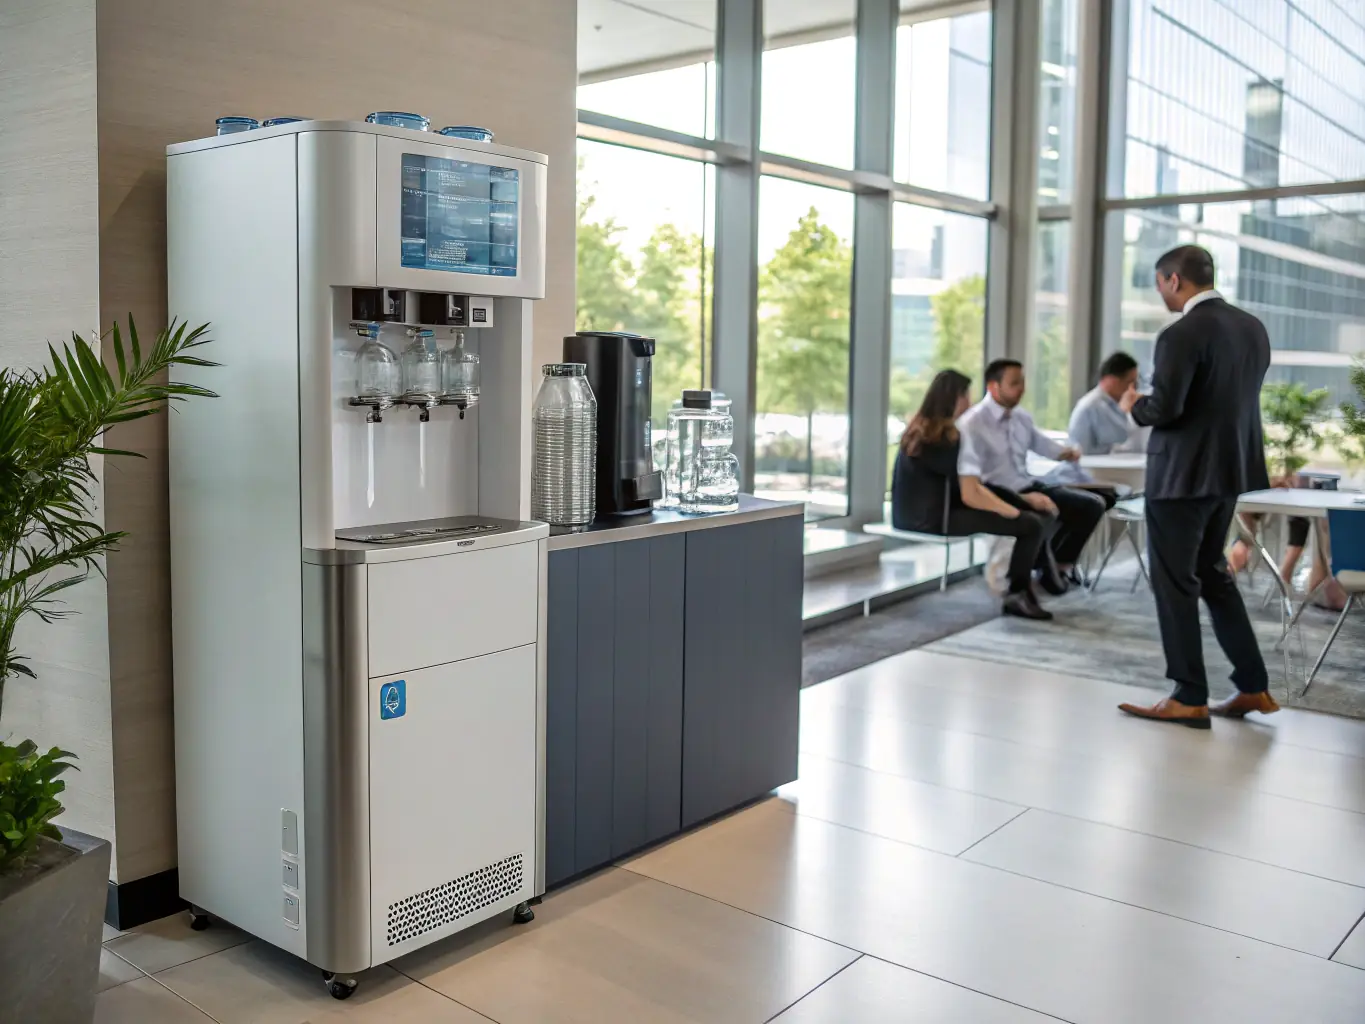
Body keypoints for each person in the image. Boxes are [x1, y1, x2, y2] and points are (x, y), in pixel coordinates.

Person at [1116, 244, 1277, 728]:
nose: (1161, 293)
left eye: (1159, 284)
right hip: (1228, 472)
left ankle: (1189, 694)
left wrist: (1134, 405)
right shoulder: (1253, 329)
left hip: (1181, 477)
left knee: (1174, 580)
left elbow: (1167, 408)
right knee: (1211, 574)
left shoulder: (1179, 334)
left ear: (1172, 280)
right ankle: (1253, 685)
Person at [892, 369, 1058, 620]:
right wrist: (1012, 511)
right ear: (954, 399)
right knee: (1030, 525)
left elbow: (974, 486)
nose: (969, 402)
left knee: (1026, 514)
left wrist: (1021, 500)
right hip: (936, 518)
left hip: (915, 514)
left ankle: (1023, 587)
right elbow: (972, 493)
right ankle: (1017, 594)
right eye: (966, 396)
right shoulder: (947, 437)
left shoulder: (922, 428)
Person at [956, 359, 1108, 594]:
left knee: (1092, 504)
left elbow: (1043, 445)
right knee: (1043, 511)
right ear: (993, 387)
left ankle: (1059, 566)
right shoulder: (972, 423)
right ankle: (1038, 571)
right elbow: (969, 477)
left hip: (1027, 483)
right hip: (998, 491)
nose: (1022, 388)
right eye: (1014, 383)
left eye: (1023, 382)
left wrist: (1067, 453)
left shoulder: (1021, 417)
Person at [1068, 351, 1149, 455]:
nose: (1133, 388)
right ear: (1112, 380)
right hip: (1099, 469)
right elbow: (1080, 451)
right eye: (1130, 382)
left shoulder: (1125, 406)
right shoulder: (1089, 407)